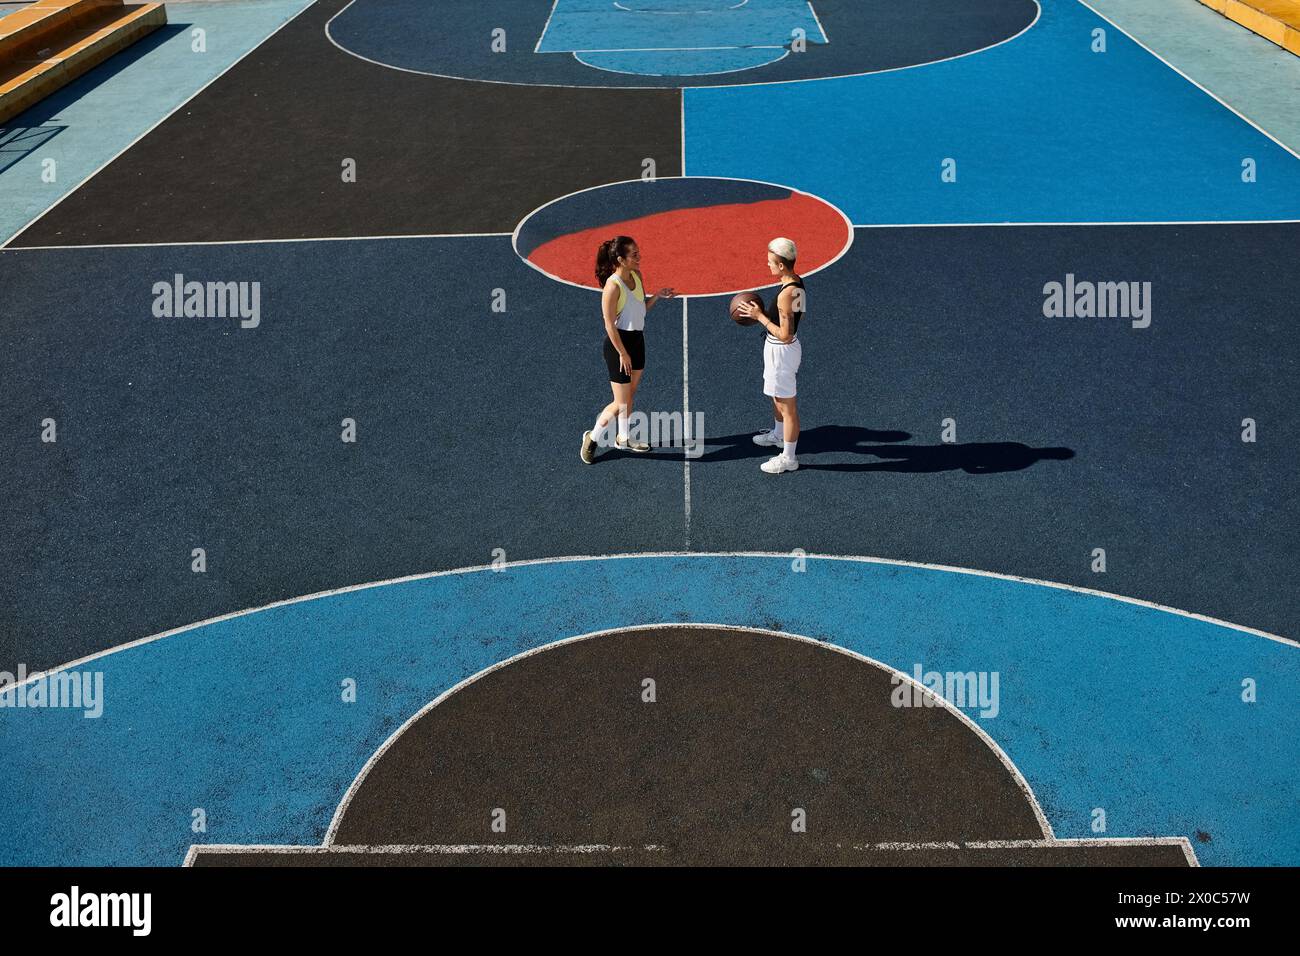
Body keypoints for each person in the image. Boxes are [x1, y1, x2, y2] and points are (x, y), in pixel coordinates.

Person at [581, 236, 676, 463]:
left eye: (638, 252)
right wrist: (623, 353)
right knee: (621, 402)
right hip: (618, 347)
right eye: (634, 255)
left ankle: (623, 437)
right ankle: (592, 438)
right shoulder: (612, 287)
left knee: (629, 395)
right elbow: (608, 325)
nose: (639, 257)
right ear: (620, 259)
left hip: (637, 342)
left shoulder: (636, 276)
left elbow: (639, 308)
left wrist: (657, 297)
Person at [736, 237, 804, 474]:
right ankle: (778, 434)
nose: (768, 265)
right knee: (777, 396)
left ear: (782, 265)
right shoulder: (796, 282)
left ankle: (789, 457)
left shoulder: (787, 293)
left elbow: (785, 334)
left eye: (771, 262)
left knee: (788, 407)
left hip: (782, 350)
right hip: (780, 348)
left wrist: (760, 317)